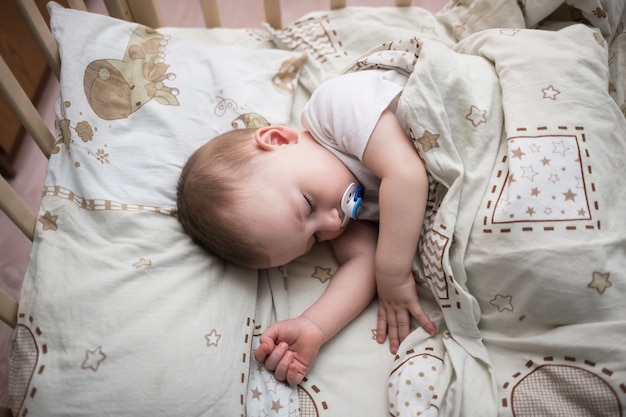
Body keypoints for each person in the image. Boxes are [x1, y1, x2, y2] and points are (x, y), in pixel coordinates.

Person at [176, 69, 436, 386]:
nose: (332, 222)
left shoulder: (333, 111)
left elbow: (406, 173)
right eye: (315, 239)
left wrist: (393, 272)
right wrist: (314, 325)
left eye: (308, 205)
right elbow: (362, 264)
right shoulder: (345, 213)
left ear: (279, 139)